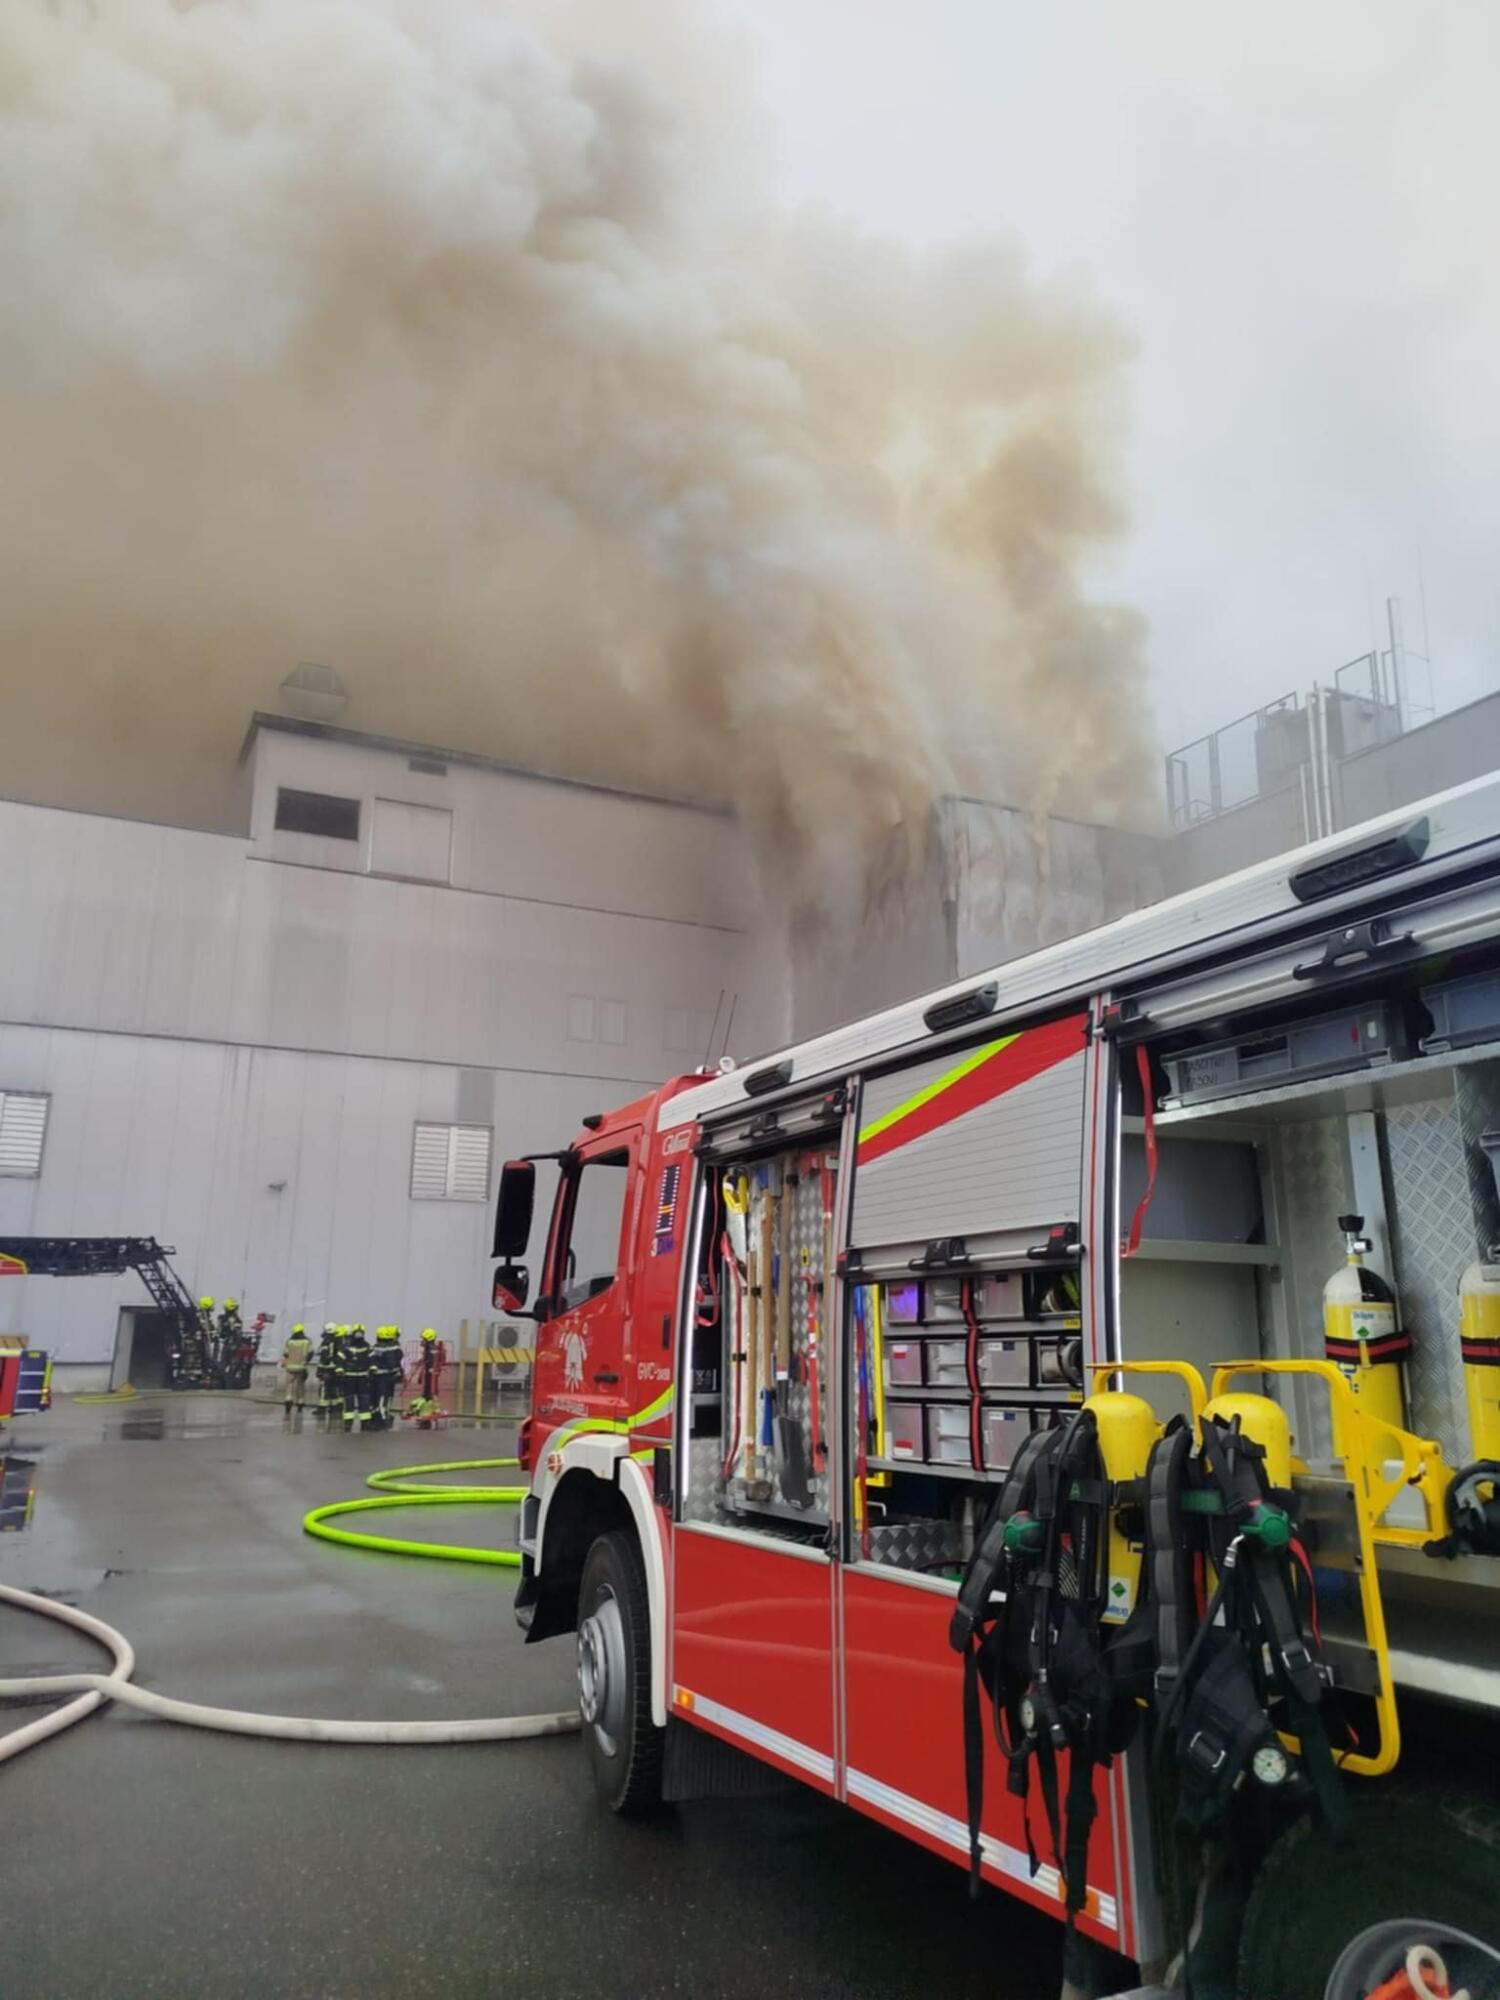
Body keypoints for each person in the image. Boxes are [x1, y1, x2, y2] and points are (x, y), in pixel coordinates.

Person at [369, 1326, 404, 1431]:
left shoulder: (376, 1347)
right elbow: (400, 1361)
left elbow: (372, 1360)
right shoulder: (395, 1347)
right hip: (391, 1376)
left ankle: (381, 1417)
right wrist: (400, 1373)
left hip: (380, 1377)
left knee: (380, 1397)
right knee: (387, 1397)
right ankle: (384, 1416)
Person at [341, 1323, 373, 1434]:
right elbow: (340, 1360)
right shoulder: (347, 1347)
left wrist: (373, 1368)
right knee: (349, 1401)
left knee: (364, 1401)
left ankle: (365, 1423)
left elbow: (372, 1359)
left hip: (362, 1377)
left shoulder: (367, 1346)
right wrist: (340, 1370)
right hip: (350, 1377)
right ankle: (348, 1423)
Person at [314, 1323, 343, 1429]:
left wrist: (320, 1370)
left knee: (324, 1390)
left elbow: (324, 1357)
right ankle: (335, 1409)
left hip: (328, 1369)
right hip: (336, 1369)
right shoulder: (339, 1341)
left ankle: (322, 1409)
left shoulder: (327, 1342)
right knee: (334, 1389)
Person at [281, 1323, 312, 1419]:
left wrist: (285, 1363)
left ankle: (288, 1401)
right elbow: (311, 1352)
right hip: (301, 1367)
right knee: (300, 1385)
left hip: (290, 1367)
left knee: (289, 1385)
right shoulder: (307, 1341)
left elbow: (286, 1354)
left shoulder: (289, 1341)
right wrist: (306, 1362)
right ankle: (300, 1403)